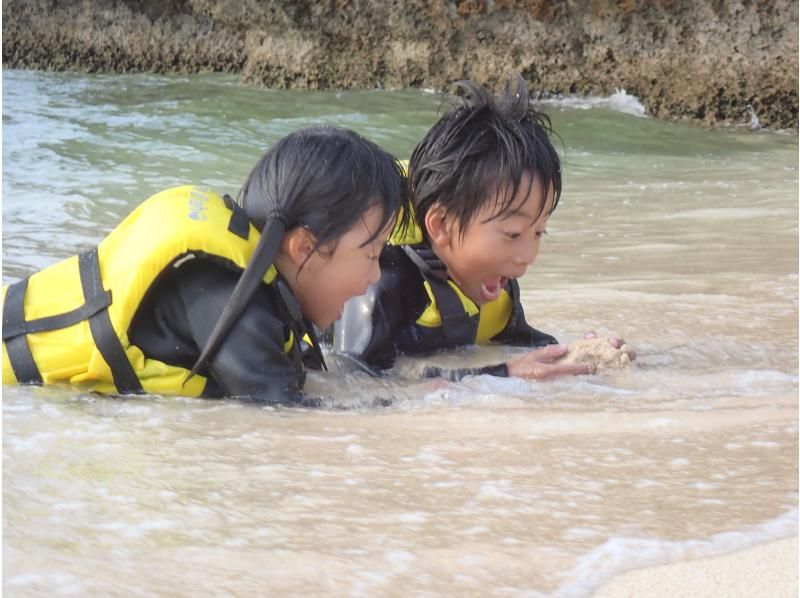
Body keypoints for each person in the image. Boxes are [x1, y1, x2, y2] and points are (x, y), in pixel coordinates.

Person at [2, 126, 410, 402]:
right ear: (304, 247)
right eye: (371, 254)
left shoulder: (248, 281)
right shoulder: (234, 302)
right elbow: (282, 418)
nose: (375, 275)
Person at [333, 75, 630, 381]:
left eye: (538, 232)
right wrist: (500, 375)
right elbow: (351, 378)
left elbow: (525, 352)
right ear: (442, 225)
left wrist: (578, 355)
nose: (528, 255)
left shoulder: (496, 288)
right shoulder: (380, 280)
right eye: (513, 234)